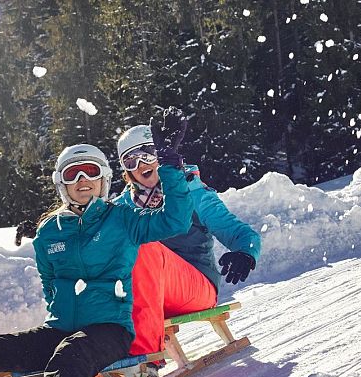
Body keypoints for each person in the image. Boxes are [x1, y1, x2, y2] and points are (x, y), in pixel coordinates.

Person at [0, 109, 194, 377]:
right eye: (73, 173)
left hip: (110, 332)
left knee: (70, 356)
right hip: (60, 331)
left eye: (91, 171)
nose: (83, 179)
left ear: (104, 180)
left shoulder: (123, 219)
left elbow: (176, 221)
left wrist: (170, 166)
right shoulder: (50, 231)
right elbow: (49, 280)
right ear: (62, 184)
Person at [111, 124, 261, 356]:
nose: (141, 165)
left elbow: (237, 231)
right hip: (151, 296)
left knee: (141, 244)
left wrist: (245, 252)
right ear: (126, 171)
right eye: (130, 161)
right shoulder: (123, 207)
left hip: (198, 287)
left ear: (161, 155)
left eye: (147, 153)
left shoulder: (192, 191)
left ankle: (144, 354)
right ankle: (95, 356)